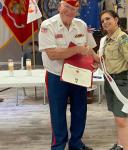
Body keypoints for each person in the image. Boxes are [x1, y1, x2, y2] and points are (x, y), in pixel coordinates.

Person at [38, 0, 98, 150]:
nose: (70, 11)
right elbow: (52, 54)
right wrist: (77, 49)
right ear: (59, 7)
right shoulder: (47, 25)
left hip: (79, 75)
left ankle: (76, 143)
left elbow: (89, 48)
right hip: (56, 76)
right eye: (67, 7)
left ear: (77, 10)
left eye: (74, 8)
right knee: (58, 113)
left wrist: (96, 60)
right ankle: (58, 146)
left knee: (80, 110)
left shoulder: (81, 24)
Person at [99, 10, 128, 150]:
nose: (105, 22)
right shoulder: (106, 40)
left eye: (108, 19)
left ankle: (126, 147)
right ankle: (120, 145)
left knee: (121, 119)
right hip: (110, 80)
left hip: (121, 82)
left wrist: (123, 74)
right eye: (103, 20)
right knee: (118, 117)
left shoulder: (123, 39)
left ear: (116, 20)